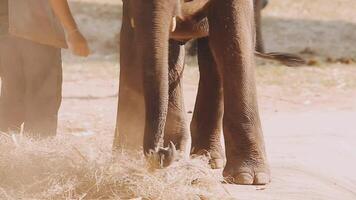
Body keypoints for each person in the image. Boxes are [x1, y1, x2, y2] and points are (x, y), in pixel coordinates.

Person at [0, 0, 90, 138]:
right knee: (43, 103)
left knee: (11, 99)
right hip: (38, 32)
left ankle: (6, 154)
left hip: (4, 34)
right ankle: (37, 157)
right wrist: (72, 30)